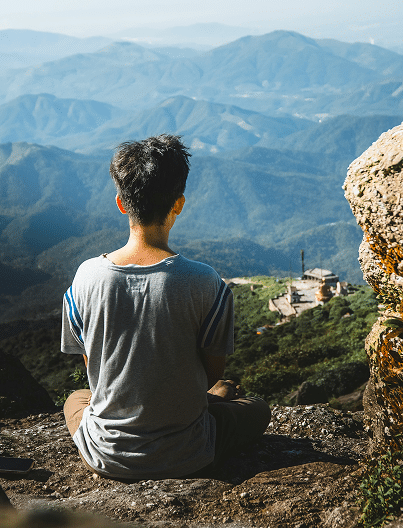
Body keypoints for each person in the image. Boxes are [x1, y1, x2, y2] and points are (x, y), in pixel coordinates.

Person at [61, 134, 271, 480]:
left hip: (107, 454)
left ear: (121, 203)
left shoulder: (85, 277)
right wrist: (209, 395)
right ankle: (214, 404)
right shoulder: (207, 283)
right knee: (258, 408)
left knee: (77, 398)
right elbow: (212, 373)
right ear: (179, 204)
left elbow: (95, 370)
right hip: (188, 451)